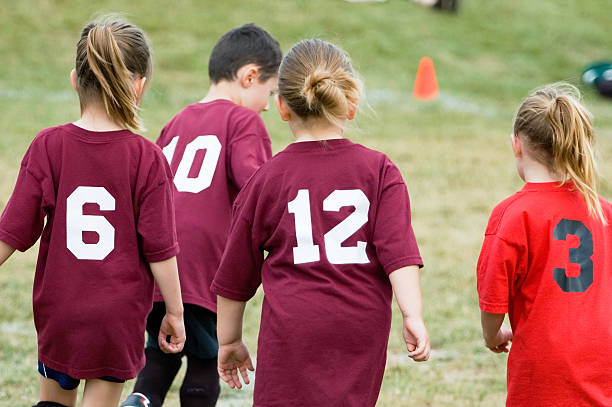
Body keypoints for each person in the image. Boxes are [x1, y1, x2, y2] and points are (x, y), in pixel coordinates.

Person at [211, 38, 430, 406]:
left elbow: (235, 276)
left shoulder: (267, 178)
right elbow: (400, 254)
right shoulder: (379, 170)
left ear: (281, 107)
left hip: (293, 326)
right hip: (360, 324)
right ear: (352, 104)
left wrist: (229, 340)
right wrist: (413, 314)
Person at [0, 17, 186, 407]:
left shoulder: (48, 146)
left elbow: (10, 235)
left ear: (74, 80)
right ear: (139, 86)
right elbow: (161, 250)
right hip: (115, 319)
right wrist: (175, 311)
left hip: (60, 312)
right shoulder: (147, 158)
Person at [122, 23, 281, 407]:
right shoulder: (245, 122)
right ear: (249, 76)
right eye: (270, 92)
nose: (267, 105)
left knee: (161, 352)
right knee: (208, 359)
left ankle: (138, 401)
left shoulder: (175, 122)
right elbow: (259, 192)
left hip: (159, 263)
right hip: (203, 266)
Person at [477, 83, 612, 406]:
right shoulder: (604, 211)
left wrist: (492, 334)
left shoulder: (514, 213)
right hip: (604, 354)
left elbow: (493, 298)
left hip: (547, 362)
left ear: (516, 145)